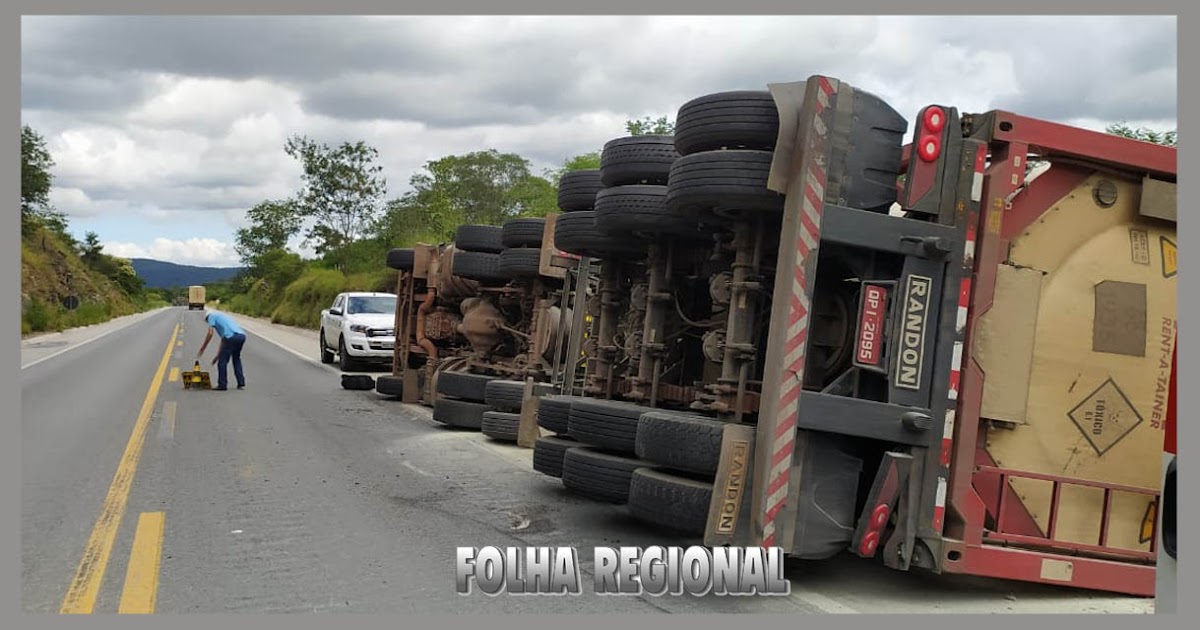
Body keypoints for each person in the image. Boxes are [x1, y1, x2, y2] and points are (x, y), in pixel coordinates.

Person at [198, 309, 247, 391]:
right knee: (236, 359)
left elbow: (210, 333)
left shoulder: (211, 316)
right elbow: (223, 340)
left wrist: (203, 348)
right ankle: (241, 382)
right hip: (241, 336)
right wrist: (217, 355)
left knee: (222, 362)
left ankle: (222, 384)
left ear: (207, 317)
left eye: (207, 320)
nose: (208, 322)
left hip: (231, 337)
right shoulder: (224, 316)